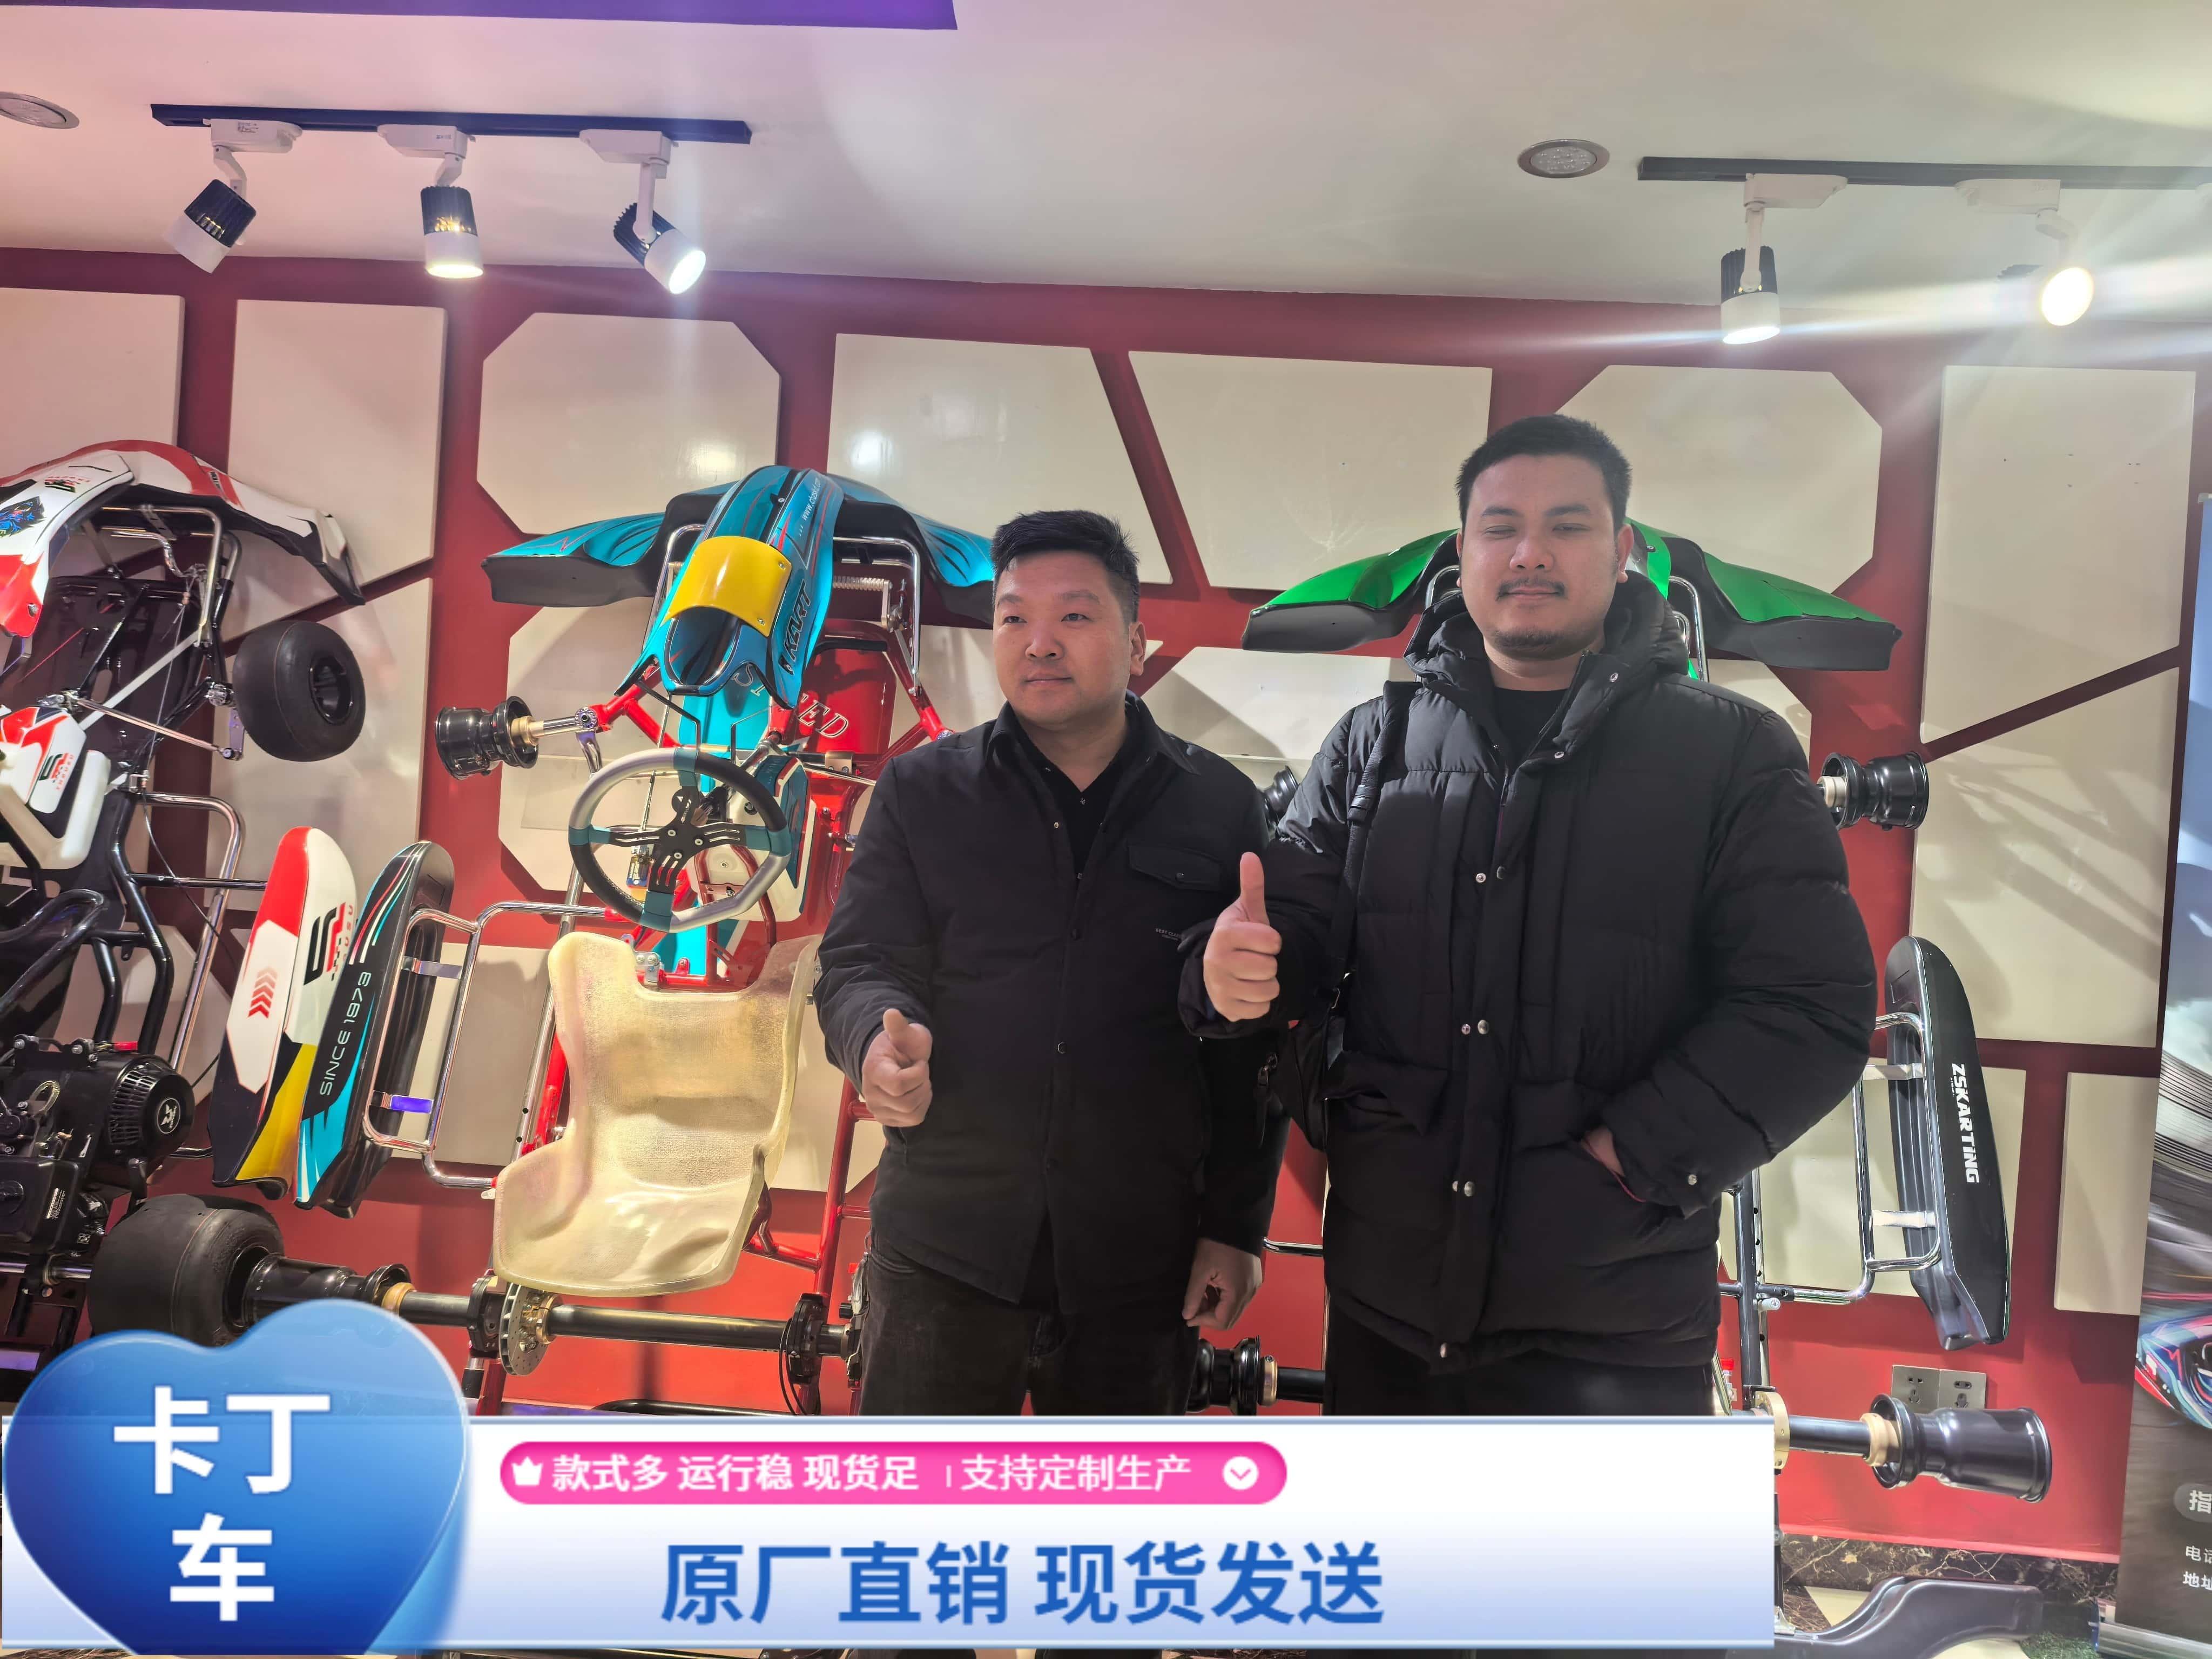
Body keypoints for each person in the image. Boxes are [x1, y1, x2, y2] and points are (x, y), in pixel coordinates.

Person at [1188, 412, 1876, 1421]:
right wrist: (1227, 973)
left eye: (1568, 525)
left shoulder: (1731, 753)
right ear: (1461, 552)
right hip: (1388, 1305)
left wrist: (1631, 1161)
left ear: (1622, 549)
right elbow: (1289, 937)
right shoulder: (1373, 744)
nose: (1530, 553)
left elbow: (1811, 1007)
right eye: (1500, 526)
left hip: (1615, 1323)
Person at [816, 507, 1284, 1427]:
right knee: (917, 1505)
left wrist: (1236, 1226)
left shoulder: (1219, 807)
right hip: (946, 1246)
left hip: (1138, 1258)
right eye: (1014, 617)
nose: (1039, 643)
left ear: (1137, 643)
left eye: (1074, 615)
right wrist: (872, 1040)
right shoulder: (923, 792)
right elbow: (860, 961)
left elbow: (1248, 1045)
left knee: (1114, 1507)